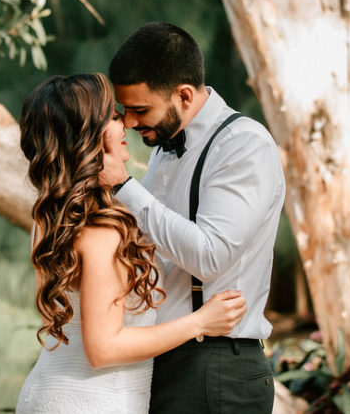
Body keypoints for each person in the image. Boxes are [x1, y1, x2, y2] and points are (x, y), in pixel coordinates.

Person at [15, 73, 247, 414]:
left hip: (48, 390)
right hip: (93, 403)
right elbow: (103, 348)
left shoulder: (50, 217)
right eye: (111, 116)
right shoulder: (101, 232)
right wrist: (201, 321)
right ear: (86, 135)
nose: (124, 122)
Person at [98, 22, 286, 413]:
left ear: (184, 94)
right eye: (126, 110)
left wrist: (123, 185)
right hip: (165, 357)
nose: (130, 123)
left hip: (215, 367)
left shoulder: (242, 145)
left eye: (140, 109)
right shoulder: (165, 149)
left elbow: (210, 255)